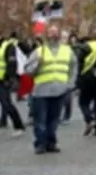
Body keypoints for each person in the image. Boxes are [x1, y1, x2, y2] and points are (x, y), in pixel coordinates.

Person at [25, 24, 77, 154]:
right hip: (41, 90)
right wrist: (38, 63)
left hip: (60, 90)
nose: (53, 35)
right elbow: (28, 70)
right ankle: (40, 144)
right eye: (50, 32)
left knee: (54, 120)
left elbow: (73, 68)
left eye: (55, 32)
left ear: (59, 35)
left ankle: (51, 142)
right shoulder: (38, 51)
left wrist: (70, 84)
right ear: (46, 35)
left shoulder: (67, 50)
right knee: (40, 120)